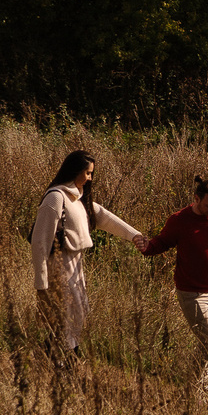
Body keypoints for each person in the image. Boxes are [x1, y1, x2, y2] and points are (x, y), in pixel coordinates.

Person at [29, 150, 146, 355]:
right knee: (67, 314)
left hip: (75, 264)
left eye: (92, 173)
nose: (90, 178)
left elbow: (103, 217)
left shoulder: (78, 198)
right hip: (58, 264)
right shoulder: (56, 198)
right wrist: (41, 282)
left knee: (78, 312)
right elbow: (40, 242)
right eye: (88, 173)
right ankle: (64, 358)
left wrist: (134, 235)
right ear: (74, 171)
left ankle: (56, 353)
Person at [142, 175, 208, 393]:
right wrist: (146, 247)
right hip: (192, 293)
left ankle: (202, 382)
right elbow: (163, 242)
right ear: (196, 199)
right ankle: (192, 388)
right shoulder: (180, 220)